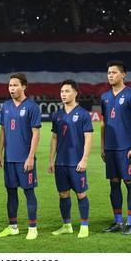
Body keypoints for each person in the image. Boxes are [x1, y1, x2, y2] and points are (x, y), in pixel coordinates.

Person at [0, 72, 41, 240]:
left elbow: (36, 134)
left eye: (15, 85)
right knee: (11, 192)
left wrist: (30, 157)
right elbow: (2, 131)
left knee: (29, 192)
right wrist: (0, 153)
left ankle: (32, 228)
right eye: (10, 85)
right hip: (9, 159)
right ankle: (12, 226)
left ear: (24, 87)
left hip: (24, 159)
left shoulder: (32, 107)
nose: (12, 88)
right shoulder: (6, 106)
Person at [100, 60, 131, 235]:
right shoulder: (104, 97)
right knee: (114, 184)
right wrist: (103, 146)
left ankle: (130, 222)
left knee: (130, 183)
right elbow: (103, 123)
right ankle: (118, 221)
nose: (110, 75)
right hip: (110, 149)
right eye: (109, 72)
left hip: (126, 148)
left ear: (123, 74)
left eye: (114, 72)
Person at [48, 79, 93, 238]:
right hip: (61, 163)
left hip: (77, 162)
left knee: (81, 194)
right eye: (61, 92)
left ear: (75, 93)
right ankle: (67, 225)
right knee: (63, 194)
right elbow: (54, 138)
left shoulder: (83, 114)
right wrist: (51, 159)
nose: (63, 94)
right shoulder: (57, 115)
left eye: (67, 91)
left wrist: (84, 159)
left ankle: (84, 226)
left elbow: (88, 137)